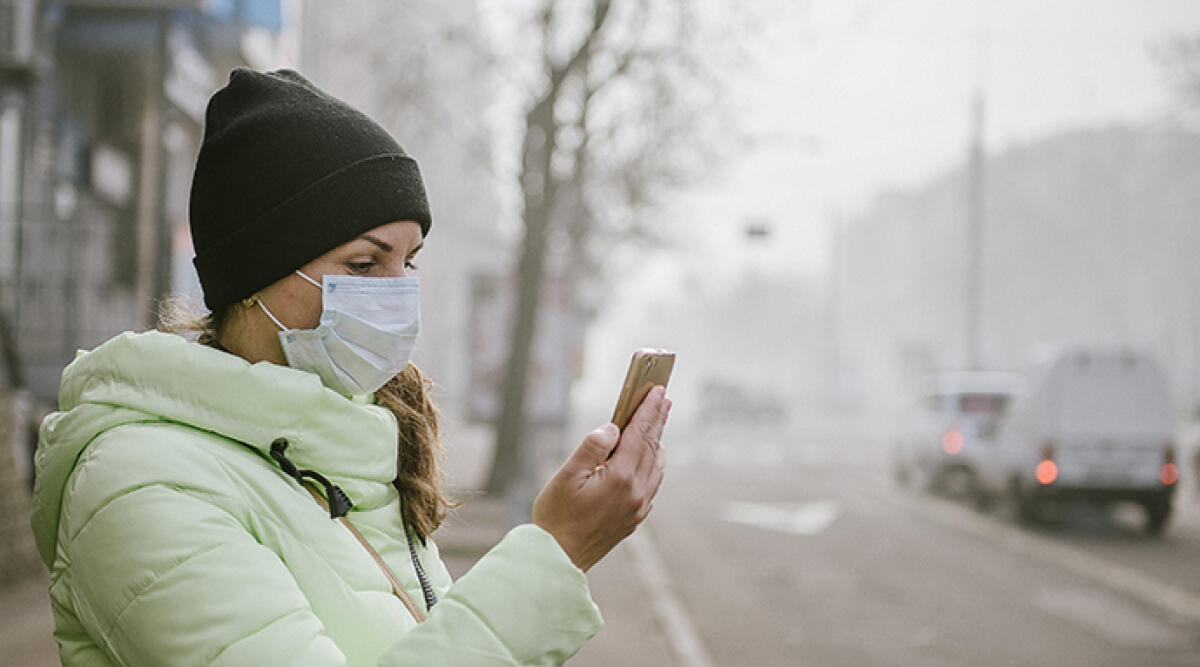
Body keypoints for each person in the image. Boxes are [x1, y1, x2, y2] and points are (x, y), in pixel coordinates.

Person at [30, 68, 670, 666]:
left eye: (408, 263)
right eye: (364, 265)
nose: (398, 293)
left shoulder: (346, 450)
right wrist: (556, 552)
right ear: (253, 277)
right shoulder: (140, 484)